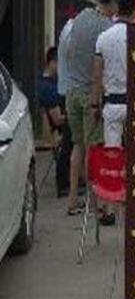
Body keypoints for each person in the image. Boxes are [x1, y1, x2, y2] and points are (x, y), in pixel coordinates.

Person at [64, 0, 121, 217]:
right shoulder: (106, 28)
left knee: (77, 146)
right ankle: (95, 201)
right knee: (93, 149)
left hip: (72, 91)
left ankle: (72, 199)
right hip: (91, 95)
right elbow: (103, 67)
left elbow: (68, 52)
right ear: (114, 2)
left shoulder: (80, 18)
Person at [91, 0, 135, 153]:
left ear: (118, 10)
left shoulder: (103, 37)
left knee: (112, 154)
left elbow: (97, 75)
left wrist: (94, 104)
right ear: (134, 12)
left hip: (112, 103)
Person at [37, 47, 71, 199]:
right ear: (52, 63)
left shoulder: (46, 82)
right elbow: (57, 119)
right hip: (59, 130)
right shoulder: (49, 88)